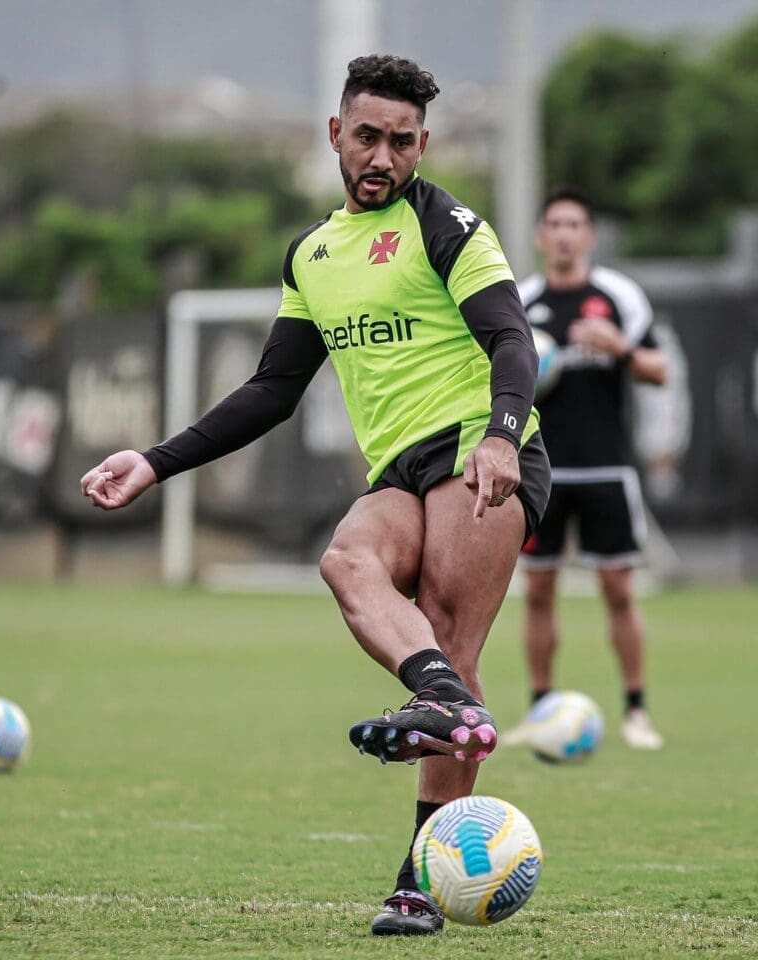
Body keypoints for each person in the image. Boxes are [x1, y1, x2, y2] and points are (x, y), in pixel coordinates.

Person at [80, 55, 550, 936]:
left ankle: (419, 880)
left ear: (422, 145)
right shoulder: (312, 254)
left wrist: (500, 433)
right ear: (335, 133)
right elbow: (272, 390)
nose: (382, 157)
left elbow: (512, 340)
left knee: (451, 631)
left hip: (478, 450)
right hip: (399, 468)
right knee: (347, 561)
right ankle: (447, 702)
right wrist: (155, 461)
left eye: (401, 142)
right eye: (367, 137)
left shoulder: (448, 225)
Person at [508, 187, 668, 750]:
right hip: (540, 472)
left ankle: (636, 710)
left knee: (619, 590)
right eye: (554, 225)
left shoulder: (618, 296)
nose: (564, 235)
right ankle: (540, 709)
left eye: (574, 225)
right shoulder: (521, 301)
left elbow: (659, 370)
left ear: (589, 236)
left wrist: (619, 347)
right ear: (540, 236)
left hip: (607, 467)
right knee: (538, 591)